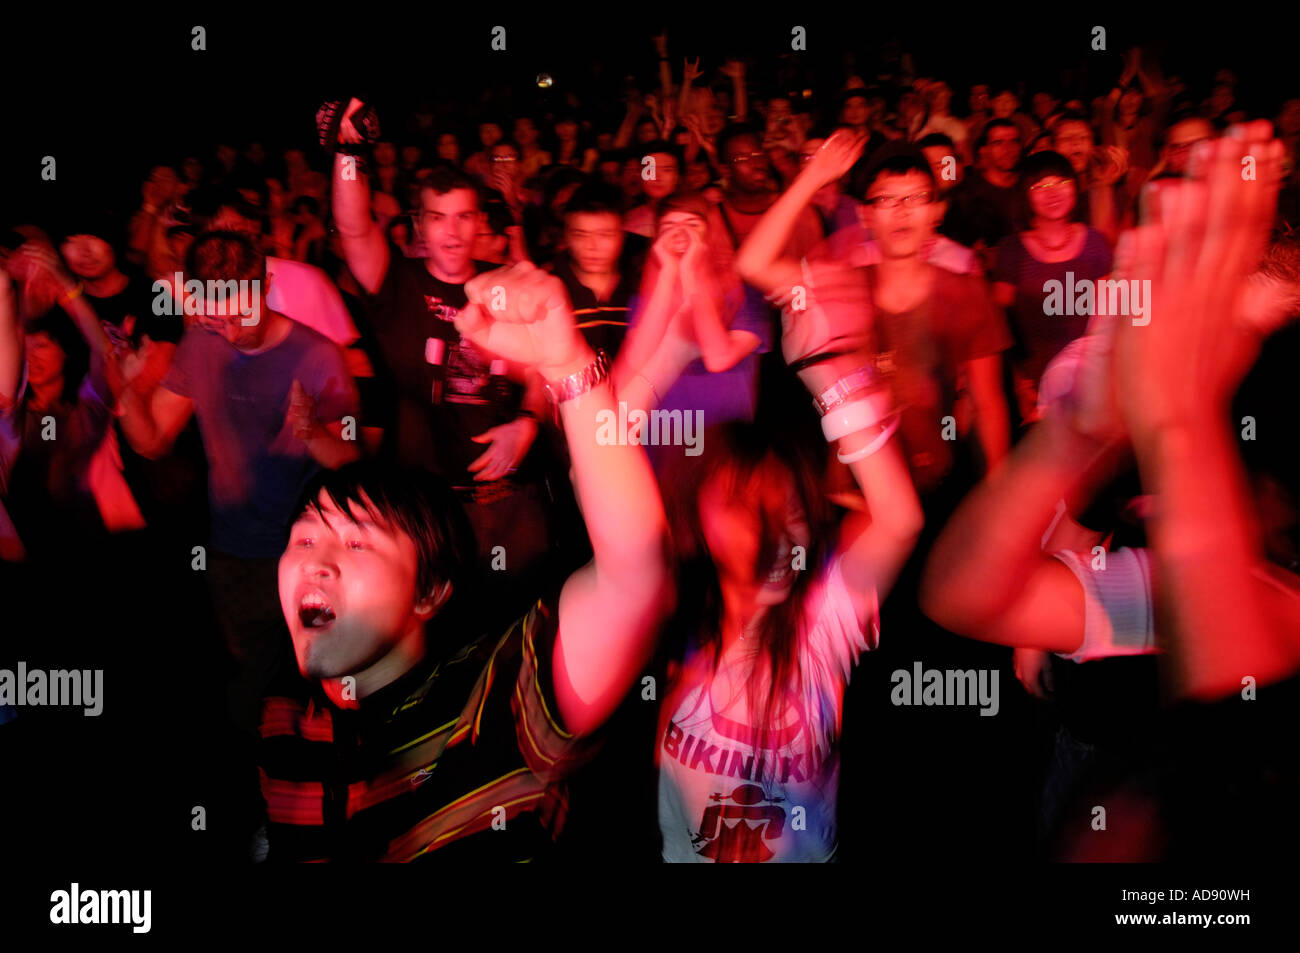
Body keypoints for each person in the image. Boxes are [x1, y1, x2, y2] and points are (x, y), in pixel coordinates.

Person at [258, 260, 673, 862]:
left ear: (429, 592)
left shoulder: (492, 707)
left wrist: (567, 367)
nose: (316, 563)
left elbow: (635, 573)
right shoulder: (284, 719)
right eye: (303, 540)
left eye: (357, 543)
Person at [328, 99, 557, 632]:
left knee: (519, 630)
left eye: (463, 217)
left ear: (480, 222)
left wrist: (527, 423)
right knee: (439, 637)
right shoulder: (398, 282)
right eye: (437, 218)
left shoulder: (510, 281)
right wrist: (347, 150)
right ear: (419, 225)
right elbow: (353, 225)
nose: (452, 232)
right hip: (427, 508)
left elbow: (543, 368)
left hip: (508, 504)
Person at [991, 150, 1114, 424]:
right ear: (1025, 195)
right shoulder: (1012, 249)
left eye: (1061, 182)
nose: (1053, 192)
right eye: (1041, 186)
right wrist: (1019, 384)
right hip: (1033, 386)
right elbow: (999, 325)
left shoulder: (1095, 241)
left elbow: (1109, 317)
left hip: (1090, 381)